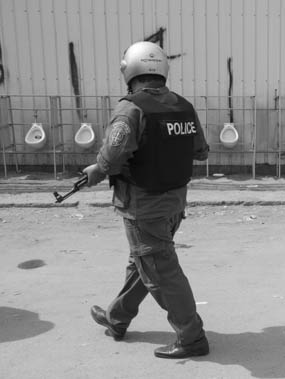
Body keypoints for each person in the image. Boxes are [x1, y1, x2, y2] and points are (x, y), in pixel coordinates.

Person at [82, 41, 210, 359]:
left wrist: (97, 168)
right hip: (174, 203)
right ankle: (117, 319)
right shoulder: (183, 106)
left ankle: (191, 337)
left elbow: (111, 159)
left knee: (161, 271)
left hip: (143, 206)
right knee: (143, 262)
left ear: (130, 71)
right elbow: (201, 151)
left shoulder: (131, 109)